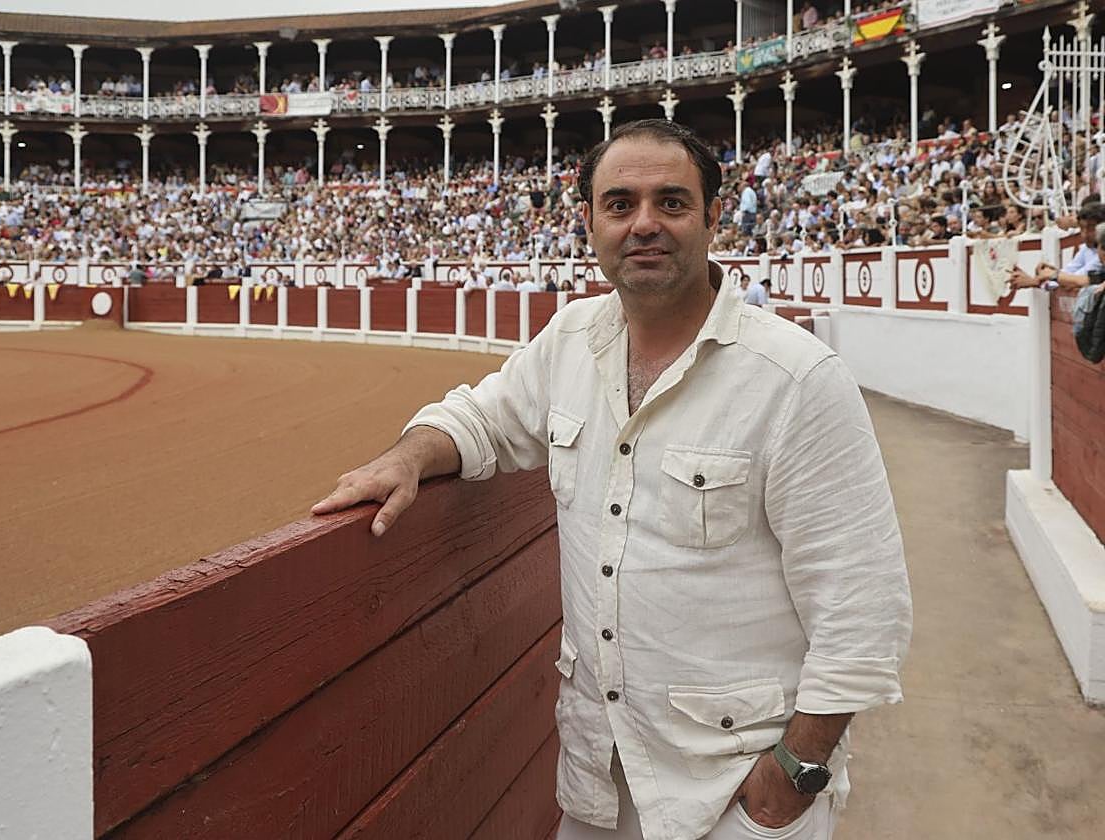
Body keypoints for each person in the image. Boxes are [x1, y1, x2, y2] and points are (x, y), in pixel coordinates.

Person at [314, 119, 915, 840]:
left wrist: (792, 775)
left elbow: (863, 607)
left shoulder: (797, 379)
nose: (645, 225)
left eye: (672, 202)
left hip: (735, 790)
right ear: (590, 222)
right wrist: (411, 454)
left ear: (713, 217)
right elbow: (481, 418)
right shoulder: (571, 341)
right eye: (620, 204)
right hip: (599, 773)